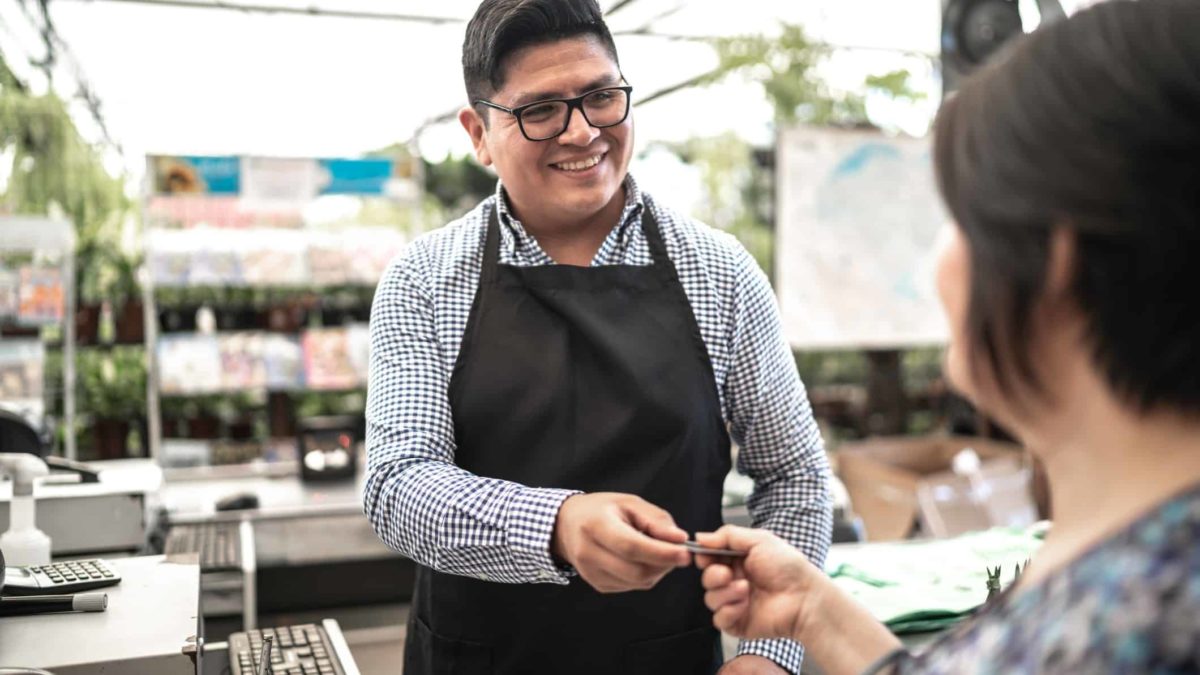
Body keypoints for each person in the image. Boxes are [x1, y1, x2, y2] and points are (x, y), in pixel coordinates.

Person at [696, 1, 1200, 673]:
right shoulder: (1134, 564)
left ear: (1056, 260)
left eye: (960, 218)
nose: (938, 258)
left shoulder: (1130, 625)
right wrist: (813, 610)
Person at [362, 1, 832, 673]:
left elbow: (795, 478)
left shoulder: (720, 273)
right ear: (479, 133)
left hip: (666, 655)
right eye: (541, 110)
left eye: (602, 97)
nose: (582, 132)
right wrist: (557, 526)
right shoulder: (424, 279)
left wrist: (770, 652)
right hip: (477, 658)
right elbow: (396, 484)